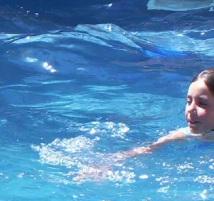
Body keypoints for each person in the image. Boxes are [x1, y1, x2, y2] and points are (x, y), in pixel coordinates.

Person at [77, 68, 214, 179]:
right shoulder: (185, 134)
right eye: (189, 101)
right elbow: (148, 149)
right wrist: (107, 163)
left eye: (201, 103)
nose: (190, 109)